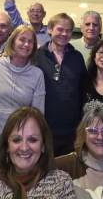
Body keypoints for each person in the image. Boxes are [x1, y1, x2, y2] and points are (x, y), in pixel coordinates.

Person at [0, 25, 46, 178]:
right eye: (22, 39)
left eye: (30, 42)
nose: (26, 44)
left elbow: (38, 114)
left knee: (13, 188)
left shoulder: (37, 75)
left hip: (18, 144)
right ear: (12, 41)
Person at [0, 106, 75, 199]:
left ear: (43, 146)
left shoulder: (61, 183)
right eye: (16, 140)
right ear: (7, 146)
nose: (24, 148)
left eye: (32, 140)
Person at [35, 13, 87, 156]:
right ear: (50, 30)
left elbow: (84, 89)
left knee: (69, 173)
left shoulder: (77, 57)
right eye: (60, 29)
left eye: (68, 30)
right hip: (44, 128)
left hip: (72, 130)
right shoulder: (37, 55)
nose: (64, 34)